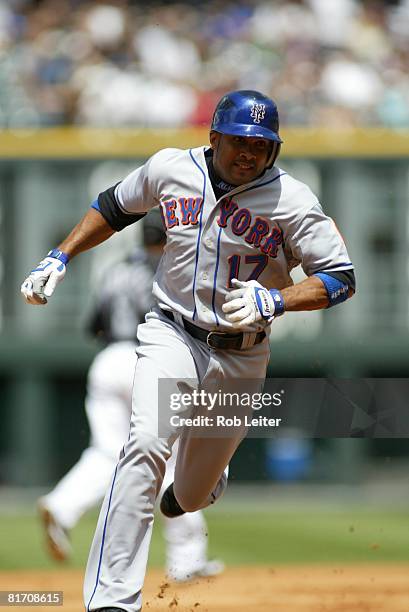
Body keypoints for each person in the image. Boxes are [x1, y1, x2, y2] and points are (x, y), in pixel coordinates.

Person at [21, 90, 355, 612]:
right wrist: (60, 255)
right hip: (171, 333)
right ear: (214, 136)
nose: (249, 153)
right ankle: (112, 600)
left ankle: (201, 482)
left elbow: (339, 278)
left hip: (243, 355)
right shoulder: (169, 168)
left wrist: (279, 299)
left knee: (188, 498)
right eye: (240, 141)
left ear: (275, 149)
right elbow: (113, 205)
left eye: (262, 146)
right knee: (146, 448)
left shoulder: (294, 200)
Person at [37, 210, 223, 582]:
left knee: (108, 451)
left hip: (107, 361)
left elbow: (93, 326)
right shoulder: (173, 266)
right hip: (147, 360)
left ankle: (62, 505)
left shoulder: (115, 269)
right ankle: (186, 560)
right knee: (173, 458)